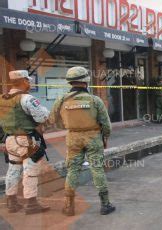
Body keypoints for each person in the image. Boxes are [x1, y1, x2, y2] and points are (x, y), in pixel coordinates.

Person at [48, 66, 115, 216]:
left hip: (73, 138)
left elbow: (52, 119)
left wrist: (68, 126)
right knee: (97, 169)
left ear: (70, 82)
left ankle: (68, 207)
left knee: (72, 170)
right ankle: (105, 205)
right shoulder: (95, 100)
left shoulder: (61, 99)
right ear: (86, 81)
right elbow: (106, 124)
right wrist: (105, 137)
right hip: (93, 137)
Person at [0, 70, 50, 214]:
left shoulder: (2, 98)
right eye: (28, 80)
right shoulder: (27, 99)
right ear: (23, 81)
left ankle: (11, 201)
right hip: (25, 140)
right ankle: (31, 203)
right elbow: (42, 117)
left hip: (9, 140)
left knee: (13, 169)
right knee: (30, 171)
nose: (29, 83)